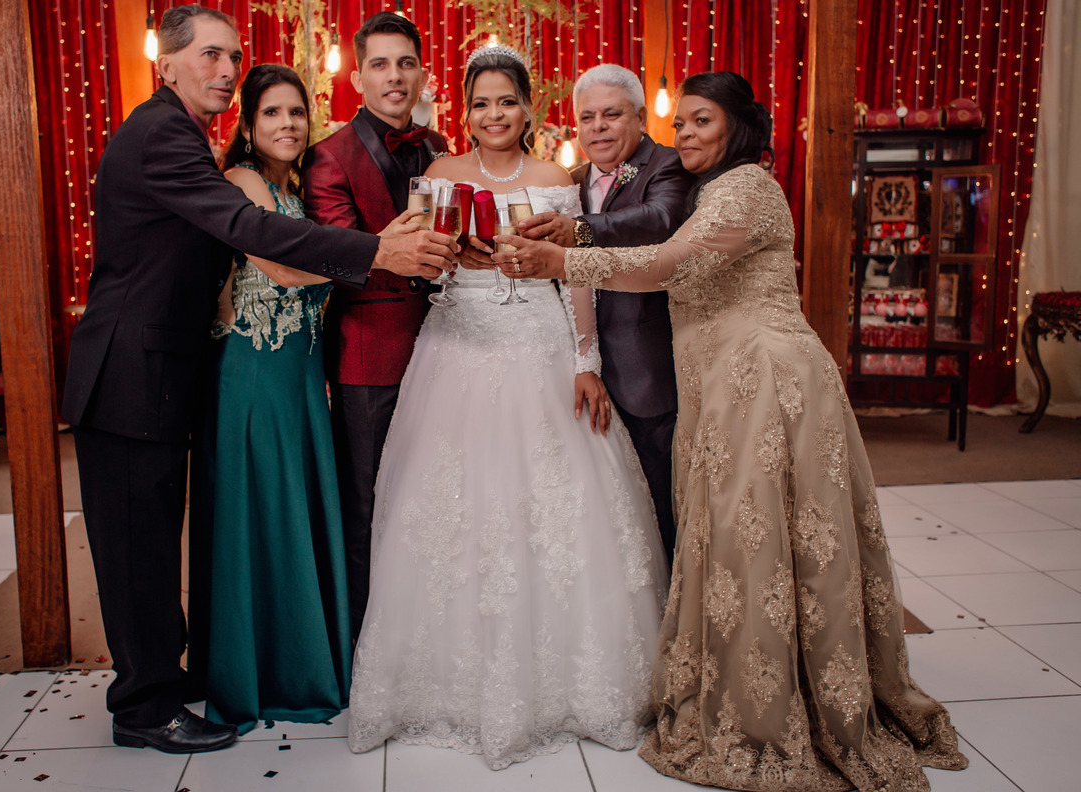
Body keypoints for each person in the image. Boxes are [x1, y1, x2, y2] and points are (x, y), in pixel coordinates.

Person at [493, 72, 968, 790]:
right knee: (745, 546)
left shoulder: (746, 189)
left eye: (702, 121)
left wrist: (565, 258)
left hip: (766, 384)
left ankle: (774, 706)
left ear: (737, 127)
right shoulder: (713, 191)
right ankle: (758, 683)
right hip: (724, 388)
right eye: (680, 122)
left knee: (761, 547)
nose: (685, 133)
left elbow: (666, 263)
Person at [61, 5, 453, 755]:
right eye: (209, 55)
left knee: (153, 547)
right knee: (138, 554)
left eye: (232, 57)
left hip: (161, 374)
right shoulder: (164, 134)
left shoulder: (183, 137)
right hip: (129, 375)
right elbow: (249, 231)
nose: (225, 69)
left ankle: (163, 683)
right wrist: (375, 251)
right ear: (166, 63)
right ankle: (143, 708)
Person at [346, 46, 668, 771]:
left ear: (528, 109)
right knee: (449, 509)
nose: (494, 114)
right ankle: (442, 686)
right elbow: (417, 261)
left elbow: (576, 275)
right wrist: (446, 260)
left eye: (507, 101)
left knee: (556, 508)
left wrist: (586, 361)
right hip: (456, 347)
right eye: (481, 103)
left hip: (539, 345)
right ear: (465, 111)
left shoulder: (555, 178)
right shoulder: (441, 173)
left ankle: (572, 685)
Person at [184, 64, 352, 735]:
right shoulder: (242, 182)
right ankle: (264, 673)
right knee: (261, 518)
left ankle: (301, 660)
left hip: (300, 381)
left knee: (293, 515)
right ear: (248, 127)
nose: (288, 124)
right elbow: (280, 266)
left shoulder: (297, 193)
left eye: (297, 112)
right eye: (273, 113)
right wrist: (377, 254)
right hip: (252, 380)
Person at [302, 12, 450, 642]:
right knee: (368, 506)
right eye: (380, 64)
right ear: (358, 76)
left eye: (405, 63)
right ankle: (364, 652)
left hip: (446, 352)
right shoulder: (327, 156)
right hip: (370, 357)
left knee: (433, 502)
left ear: (422, 73)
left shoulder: (440, 148)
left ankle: (427, 638)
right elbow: (336, 256)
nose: (395, 76)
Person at [519, 64, 693, 556]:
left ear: (640, 117)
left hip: (646, 370)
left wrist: (579, 230)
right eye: (587, 117)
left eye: (611, 115)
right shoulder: (569, 182)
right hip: (579, 368)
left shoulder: (667, 164)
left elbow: (659, 219)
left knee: (661, 504)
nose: (598, 127)